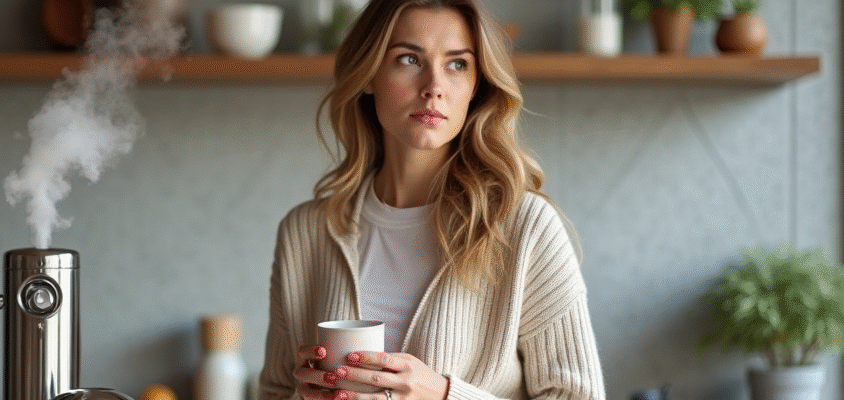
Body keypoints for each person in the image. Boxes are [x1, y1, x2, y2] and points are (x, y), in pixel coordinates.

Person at [257, 0, 605, 399]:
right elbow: (274, 391)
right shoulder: (305, 232)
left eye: (457, 64)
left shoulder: (525, 227)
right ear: (369, 73)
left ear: (477, 85)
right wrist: (306, 393)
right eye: (408, 59)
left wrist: (442, 394)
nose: (434, 87)